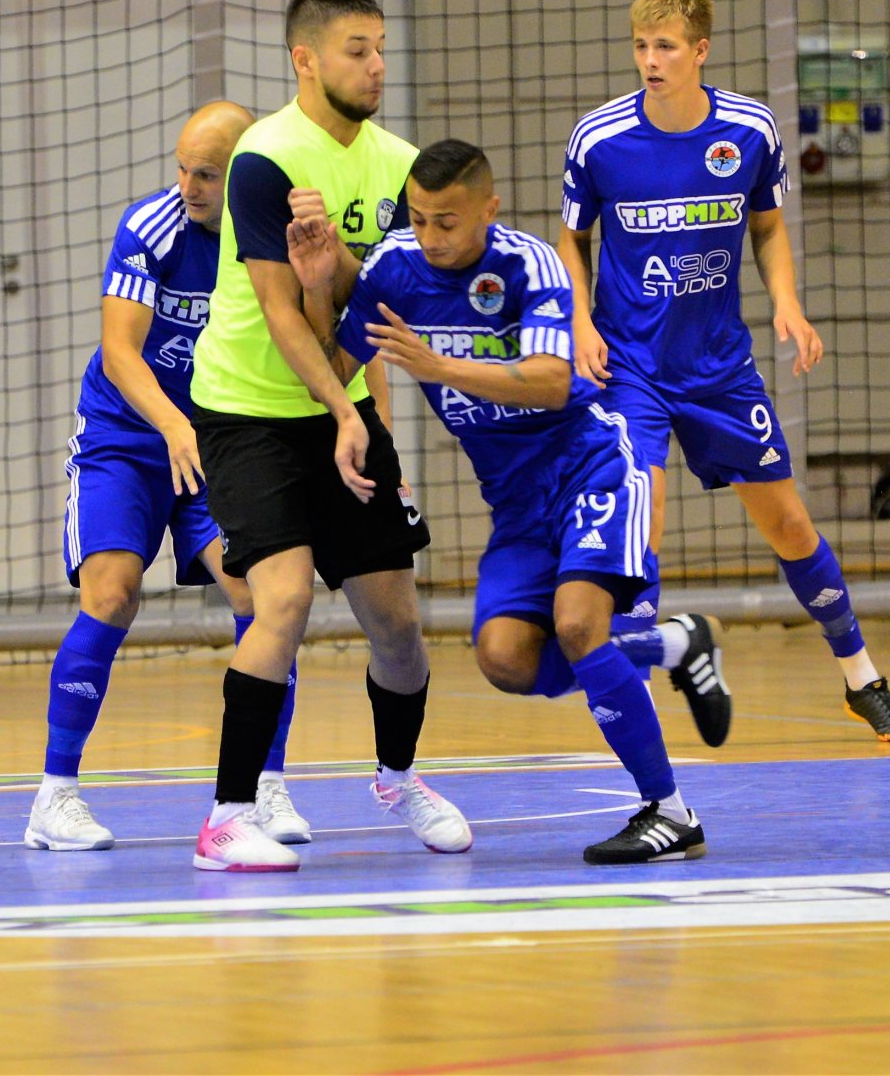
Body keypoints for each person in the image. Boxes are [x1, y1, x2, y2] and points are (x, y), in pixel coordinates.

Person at [294, 139, 728, 863]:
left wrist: (438, 366)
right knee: (504, 659)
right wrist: (315, 285)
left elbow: (553, 380)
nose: (431, 237)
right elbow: (336, 364)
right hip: (517, 505)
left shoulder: (531, 265)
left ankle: (670, 810)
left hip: (590, 467)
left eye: (449, 223)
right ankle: (674, 643)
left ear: (487, 212)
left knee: (579, 628)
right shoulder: (394, 266)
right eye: (421, 218)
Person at [557, 0, 890, 741]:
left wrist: (786, 302)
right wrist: (581, 322)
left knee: (789, 524)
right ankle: (645, 702)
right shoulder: (599, 139)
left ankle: (862, 676)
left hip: (719, 367)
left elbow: (767, 228)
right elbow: (573, 240)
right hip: (632, 367)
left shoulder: (749, 131)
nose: (650, 61)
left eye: (664, 47)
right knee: (639, 529)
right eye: (640, 47)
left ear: (699, 51)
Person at [185, 0, 468, 873]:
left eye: (381, 47)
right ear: (305, 59)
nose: (376, 64)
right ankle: (228, 816)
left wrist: (367, 413)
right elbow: (279, 309)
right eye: (356, 49)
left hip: (342, 406)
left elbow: (375, 305)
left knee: (397, 626)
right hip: (249, 411)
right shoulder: (264, 159)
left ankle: (398, 777)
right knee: (287, 599)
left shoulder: (403, 166)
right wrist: (346, 410)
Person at [28, 102, 314, 851]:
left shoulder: (269, 237)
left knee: (261, 592)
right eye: (181, 167)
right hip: (130, 436)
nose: (188, 184)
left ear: (243, 170)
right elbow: (121, 352)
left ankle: (263, 786)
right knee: (112, 593)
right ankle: (55, 799)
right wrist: (172, 424)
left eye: (207, 174)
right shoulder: (150, 230)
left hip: (218, 438)